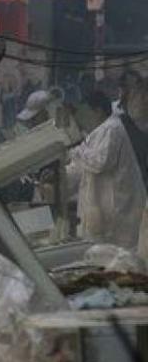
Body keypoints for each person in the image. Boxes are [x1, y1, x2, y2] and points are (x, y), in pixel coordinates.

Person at [68, 72, 148, 252]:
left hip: (119, 213)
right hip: (106, 215)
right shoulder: (98, 132)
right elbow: (81, 168)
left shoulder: (111, 128)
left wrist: (75, 150)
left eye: (84, 112)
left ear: (97, 111)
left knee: (119, 262)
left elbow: (99, 162)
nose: (81, 118)